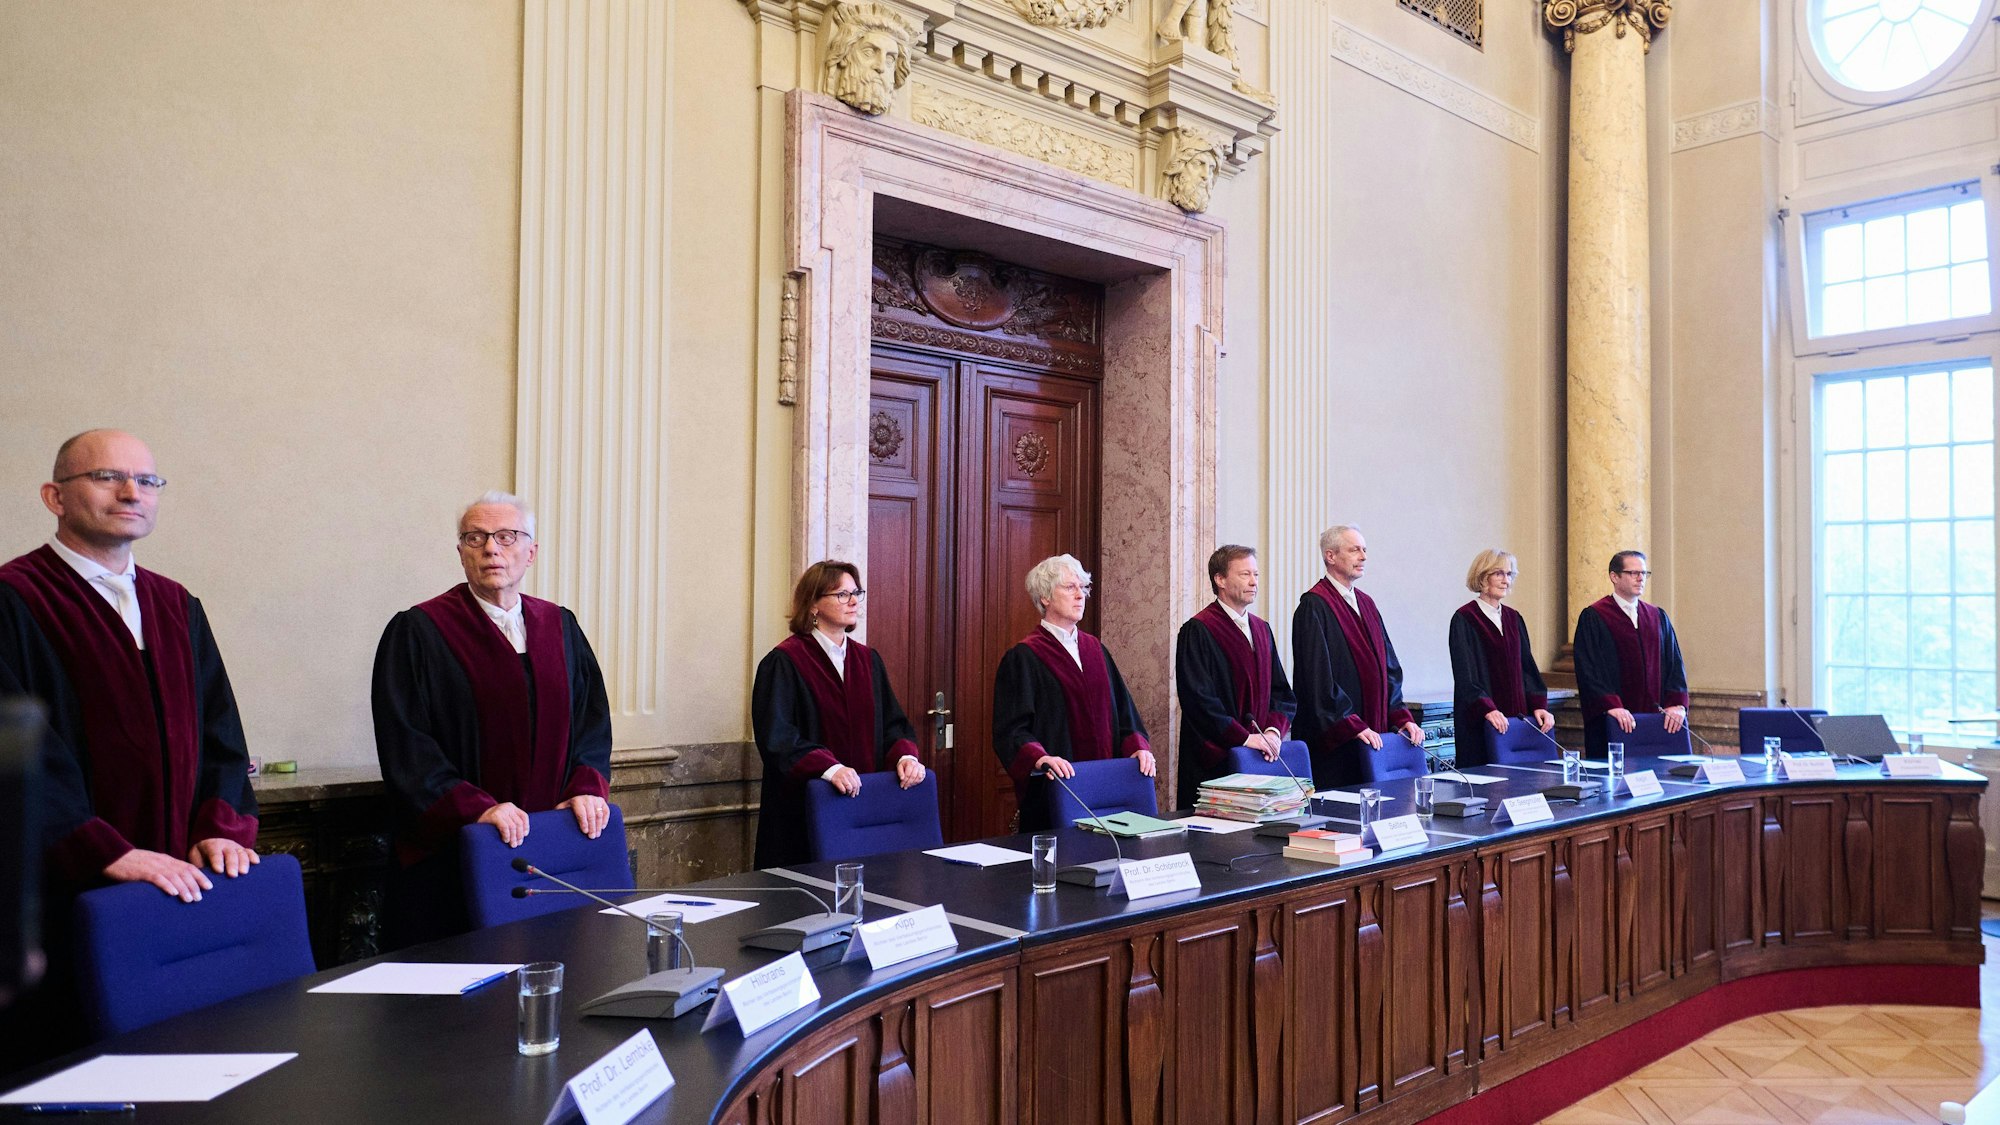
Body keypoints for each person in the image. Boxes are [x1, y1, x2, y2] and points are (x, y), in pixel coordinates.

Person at [0, 429, 260, 1061]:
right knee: (77, 1065)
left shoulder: (175, 604)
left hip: (178, 884)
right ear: (53, 497)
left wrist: (222, 826)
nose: (130, 493)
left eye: (147, 481)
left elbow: (221, 733)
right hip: (66, 892)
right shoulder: (15, 598)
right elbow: (17, 751)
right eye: (106, 477)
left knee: (185, 1058)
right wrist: (104, 850)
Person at [371, 491, 612, 942]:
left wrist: (586, 787)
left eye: (507, 536)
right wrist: (478, 808)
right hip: (455, 854)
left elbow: (592, 723)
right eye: (476, 538)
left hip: (550, 848)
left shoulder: (561, 627)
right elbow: (407, 744)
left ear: (531, 551)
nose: (491, 549)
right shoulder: (420, 631)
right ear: (460, 552)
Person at [750, 560, 924, 868]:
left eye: (856, 592)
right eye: (842, 594)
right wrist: (829, 768)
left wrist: (905, 757)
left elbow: (893, 724)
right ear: (814, 604)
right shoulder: (785, 662)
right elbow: (777, 737)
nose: (854, 600)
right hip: (804, 811)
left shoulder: (868, 660)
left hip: (863, 812)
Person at [992, 554, 1152, 829]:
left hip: (1107, 787)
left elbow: (1125, 713)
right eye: (1070, 587)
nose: (1081, 595)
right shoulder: (1025, 656)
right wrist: (1040, 758)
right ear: (1045, 597)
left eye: (1083, 588)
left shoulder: (1096, 651)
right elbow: (1012, 730)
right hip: (1059, 787)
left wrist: (1139, 748)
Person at [1292, 524, 1424, 787]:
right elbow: (1317, 680)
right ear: (1330, 556)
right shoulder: (1314, 606)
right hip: (1338, 744)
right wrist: (1352, 724)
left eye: (1364, 550)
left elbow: (1390, 667)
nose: (1363, 556)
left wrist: (1400, 717)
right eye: (1354, 550)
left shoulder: (1366, 603)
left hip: (1374, 735)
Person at [1174, 545, 1297, 808]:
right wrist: (1244, 738)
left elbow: (1282, 692)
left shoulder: (1262, 629)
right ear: (1220, 580)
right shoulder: (1198, 630)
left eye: (1256, 574)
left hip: (1262, 758)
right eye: (1244, 574)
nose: (1253, 582)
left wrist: (1273, 731)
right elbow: (1198, 700)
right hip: (1216, 761)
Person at [1573, 550, 1689, 757]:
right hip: (1614, 720)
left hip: (1656, 721)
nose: (1640, 578)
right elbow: (1588, 669)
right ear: (1614, 576)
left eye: (1644, 573)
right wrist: (1611, 705)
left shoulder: (1657, 616)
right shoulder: (1595, 616)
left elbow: (1674, 664)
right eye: (1633, 573)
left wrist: (1676, 704)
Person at [1447, 550, 1554, 767]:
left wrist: (1539, 705)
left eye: (1509, 574)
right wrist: (1488, 708)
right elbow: (1465, 674)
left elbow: (1527, 668)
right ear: (1483, 576)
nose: (1506, 580)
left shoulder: (1514, 618)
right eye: (1499, 573)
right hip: (1480, 719)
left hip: (1516, 717)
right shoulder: (1465, 618)